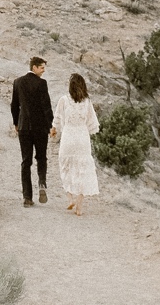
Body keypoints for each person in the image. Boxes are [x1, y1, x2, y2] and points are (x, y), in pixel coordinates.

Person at [52, 72, 100, 216]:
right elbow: (92, 123)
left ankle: (70, 198)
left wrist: (54, 130)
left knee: (65, 166)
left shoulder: (64, 100)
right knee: (82, 170)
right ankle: (79, 206)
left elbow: (57, 118)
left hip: (68, 136)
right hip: (82, 137)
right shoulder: (87, 101)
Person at [10, 55, 54, 207]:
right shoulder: (42, 84)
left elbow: (14, 105)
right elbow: (46, 106)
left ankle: (27, 197)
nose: (43, 71)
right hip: (40, 127)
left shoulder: (17, 82)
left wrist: (16, 122)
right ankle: (42, 183)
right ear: (34, 67)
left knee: (25, 161)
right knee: (41, 158)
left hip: (24, 127)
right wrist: (51, 125)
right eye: (42, 68)